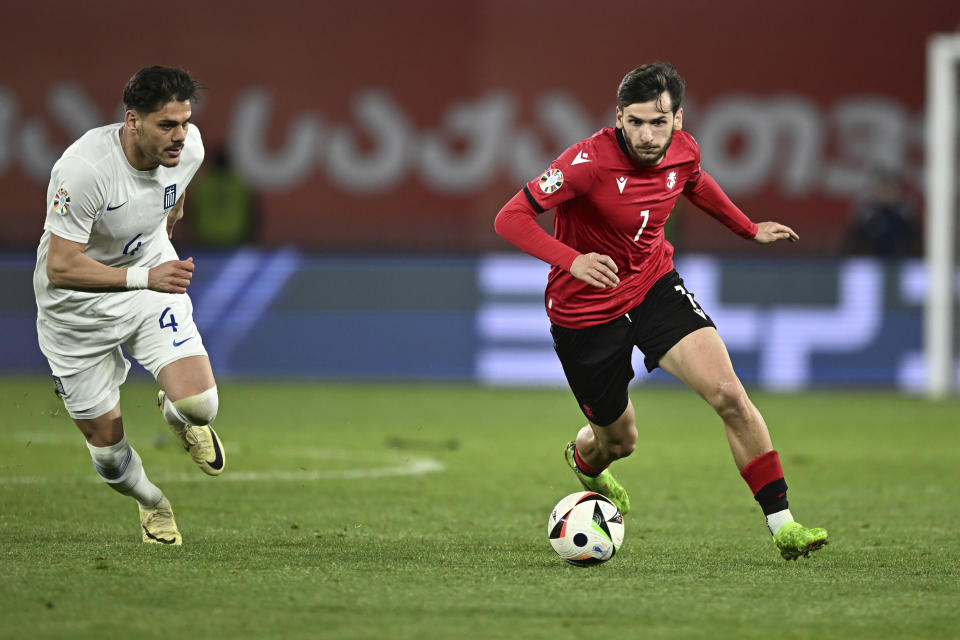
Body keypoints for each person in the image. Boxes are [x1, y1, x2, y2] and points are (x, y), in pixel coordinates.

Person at [494, 62, 828, 561]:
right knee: (619, 442)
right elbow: (509, 217)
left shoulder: (684, 149)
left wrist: (748, 228)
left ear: (677, 118)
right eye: (636, 122)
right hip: (586, 312)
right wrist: (574, 260)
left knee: (729, 393)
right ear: (619, 118)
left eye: (659, 121)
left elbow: (696, 182)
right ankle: (586, 464)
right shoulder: (586, 162)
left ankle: (784, 525)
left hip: (653, 288)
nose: (648, 134)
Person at [33, 66, 226, 546]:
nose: (180, 136)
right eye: (167, 125)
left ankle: (177, 416)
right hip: (74, 310)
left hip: (147, 283)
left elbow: (172, 204)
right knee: (110, 456)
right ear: (132, 121)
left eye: (184, 122)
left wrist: (155, 256)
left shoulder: (191, 148)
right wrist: (145, 275)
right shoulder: (84, 169)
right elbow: (60, 267)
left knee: (201, 404)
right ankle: (152, 503)